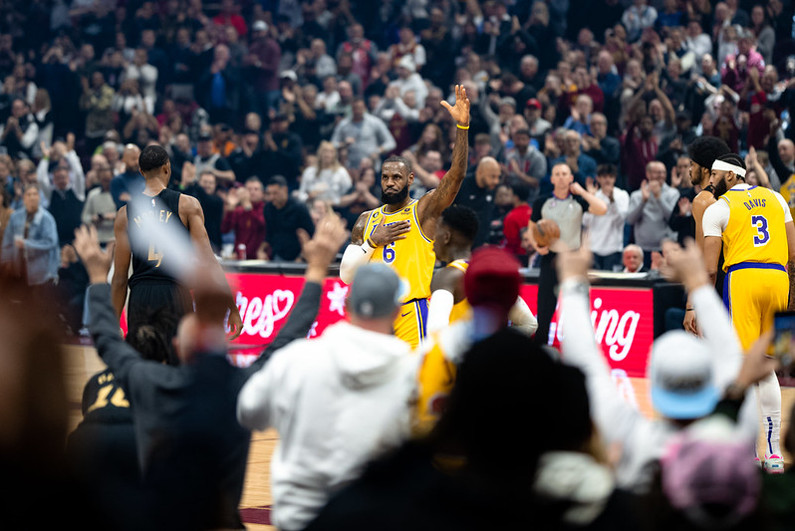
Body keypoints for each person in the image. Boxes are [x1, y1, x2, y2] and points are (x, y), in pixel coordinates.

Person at [75, 212, 347, 531]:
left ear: (177, 349)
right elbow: (289, 337)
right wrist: (316, 270)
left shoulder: (149, 382)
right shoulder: (239, 389)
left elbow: (107, 338)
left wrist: (96, 276)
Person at [556, 237, 758, 492]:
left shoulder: (634, 438)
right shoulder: (734, 435)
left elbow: (585, 361)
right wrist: (698, 283)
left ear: (654, 386)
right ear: (710, 383)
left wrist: (572, 282)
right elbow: (732, 359)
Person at [237, 262, 420, 531]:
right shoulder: (413, 374)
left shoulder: (297, 358)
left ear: (347, 305)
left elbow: (248, 410)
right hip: (373, 517)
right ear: (397, 311)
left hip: (298, 517)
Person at [339, 85, 471, 349]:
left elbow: (455, 178)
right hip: (374, 315)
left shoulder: (423, 210)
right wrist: (372, 241)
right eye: (385, 177)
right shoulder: (366, 220)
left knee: (411, 382)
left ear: (410, 179)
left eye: (397, 177)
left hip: (411, 313)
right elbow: (346, 275)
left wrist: (462, 129)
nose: (390, 182)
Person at [701, 153, 795, 473]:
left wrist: (696, 305)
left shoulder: (719, 208)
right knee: (773, 364)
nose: (710, 180)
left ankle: (754, 451)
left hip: (743, 278)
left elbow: (709, 268)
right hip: (779, 279)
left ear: (730, 176)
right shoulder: (776, 197)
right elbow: (793, 251)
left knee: (747, 365)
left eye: (714, 174)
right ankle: (774, 453)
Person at [111, 145, 243, 363]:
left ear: (141, 172)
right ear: (167, 168)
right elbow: (208, 261)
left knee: (142, 369)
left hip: (140, 295)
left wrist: (113, 322)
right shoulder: (187, 204)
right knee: (179, 367)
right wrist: (232, 307)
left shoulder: (124, 214)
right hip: (174, 293)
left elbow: (119, 278)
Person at [526, 163, 607, 344]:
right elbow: (531, 229)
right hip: (550, 259)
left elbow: (602, 208)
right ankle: (541, 352)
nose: (561, 177)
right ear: (552, 179)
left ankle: (578, 350)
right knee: (545, 311)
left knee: (578, 308)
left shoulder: (579, 201)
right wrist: (536, 246)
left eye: (565, 174)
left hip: (574, 261)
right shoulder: (542, 201)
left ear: (571, 178)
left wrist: (583, 192)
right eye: (557, 174)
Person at [425, 205, 537, 335]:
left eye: (435, 231)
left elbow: (435, 333)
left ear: (446, 237)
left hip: (457, 355)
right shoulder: (486, 273)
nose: (432, 238)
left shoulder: (447, 276)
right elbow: (530, 324)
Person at [682, 136, 731, 334]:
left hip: (717, 282)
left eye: (691, 164)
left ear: (704, 169)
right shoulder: (731, 195)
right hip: (737, 277)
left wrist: (691, 305)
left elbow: (701, 259)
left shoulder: (703, 200)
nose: (689, 170)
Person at [0, 182, 59, 290]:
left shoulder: (47, 219)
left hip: (39, 269)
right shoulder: (15, 216)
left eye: (35, 194)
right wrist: (6, 261)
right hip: (18, 267)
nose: (32, 197)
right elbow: (7, 241)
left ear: (39, 197)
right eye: (28, 194)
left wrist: (27, 244)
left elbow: (51, 242)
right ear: (24, 198)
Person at [584, 164, 629, 271]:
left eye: (610, 177)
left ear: (615, 178)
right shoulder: (593, 195)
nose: (607, 180)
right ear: (598, 178)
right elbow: (585, 222)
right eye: (604, 177)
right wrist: (591, 199)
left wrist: (612, 201)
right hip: (594, 247)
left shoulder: (622, 195)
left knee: (611, 284)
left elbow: (620, 221)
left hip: (613, 248)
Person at [260, 175, 315, 262]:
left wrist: (302, 256)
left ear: (285, 190)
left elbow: (310, 234)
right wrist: (261, 250)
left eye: (275, 193)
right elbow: (269, 233)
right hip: (278, 255)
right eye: (269, 194)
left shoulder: (299, 208)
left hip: (298, 257)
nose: (271, 197)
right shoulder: (268, 208)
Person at [221, 177, 266, 260]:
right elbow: (225, 229)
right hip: (239, 257)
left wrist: (247, 206)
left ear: (262, 193)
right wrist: (230, 209)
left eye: (256, 189)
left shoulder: (266, 209)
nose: (252, 192)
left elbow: (261, 224)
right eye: (249, 189)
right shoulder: (239, 211)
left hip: (259, 257)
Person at [81, 160, 116, 245]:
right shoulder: (93, 194)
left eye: (108, 180)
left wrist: (114, 216)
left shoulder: (119, 194)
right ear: (99, 179)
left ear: (113, 177)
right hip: (98, 238)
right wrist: (93, 219)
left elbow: (128, 215)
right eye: (103, 180)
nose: (106, 183)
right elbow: (84, 217)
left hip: (115, 238)